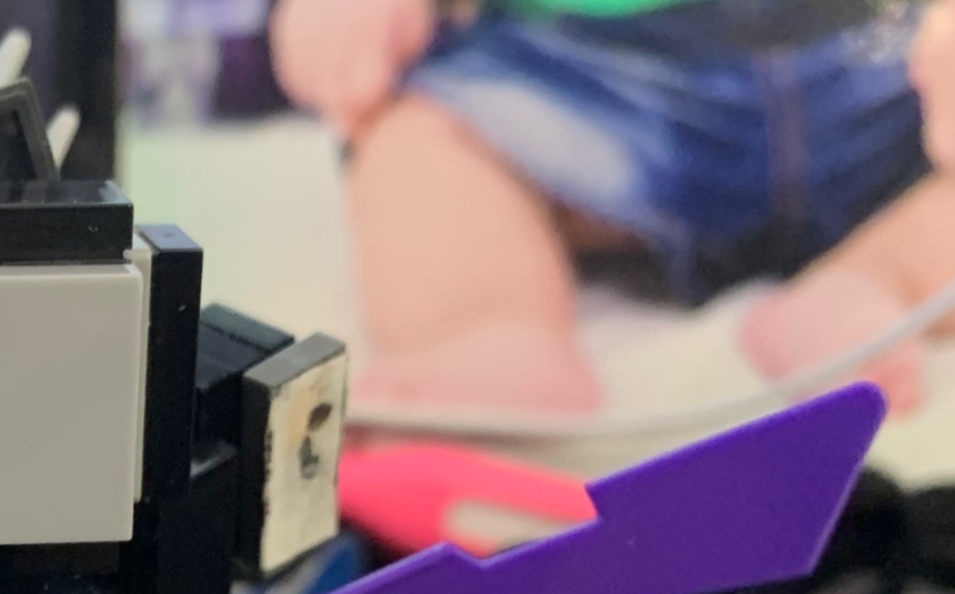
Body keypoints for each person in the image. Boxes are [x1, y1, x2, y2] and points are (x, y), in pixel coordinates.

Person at [270, 0, 955, 413]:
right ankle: (482, 326)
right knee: (420, 139)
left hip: (881, 71)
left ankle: (879, 278)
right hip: (587, 78)